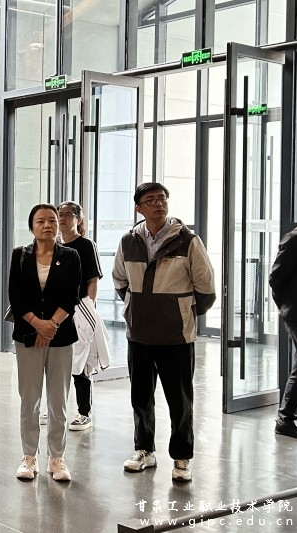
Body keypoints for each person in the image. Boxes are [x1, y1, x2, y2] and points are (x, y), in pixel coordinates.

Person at [112, 182, 215, 482]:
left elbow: (206, 288)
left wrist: (181, 312)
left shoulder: (188, 240)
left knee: (180, 401)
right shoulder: (128, 241)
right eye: (151, 200)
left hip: (176, 337)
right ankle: (144, 449)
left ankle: (182, 457)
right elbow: (120, 280)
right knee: (140, 397)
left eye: (162, 198)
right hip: (139, 335)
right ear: (138, 208)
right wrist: (136, 307)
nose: (158, 203)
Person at [9, 203, 81, 482]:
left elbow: (72, 296)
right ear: (32, 227)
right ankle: (29, 456)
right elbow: (15, 296)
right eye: (40, 221)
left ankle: (56, 458)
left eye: (52, 220)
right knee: (29, 399)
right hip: (27, 334)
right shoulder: (20, 255)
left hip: (60, 335)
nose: (47, 225)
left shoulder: (70, 256)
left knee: (58, 400)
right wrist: (38, 324)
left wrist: (51, 325)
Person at [57, 201, 104, 431]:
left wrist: (89, 307)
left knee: (81, 361)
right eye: (60, 214)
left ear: (79, 219)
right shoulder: (53, 244)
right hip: (56, 311)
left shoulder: (86, 245)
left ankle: (84, 412)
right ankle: (55, 408)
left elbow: (93, 279)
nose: (63, 218)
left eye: (68, 214)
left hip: (80, 309)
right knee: (56, 362)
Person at [270, 225, 297, 439]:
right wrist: (285, 306)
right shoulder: (295, 238)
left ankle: (285, 418)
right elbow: (276, 278)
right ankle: (285, 418)